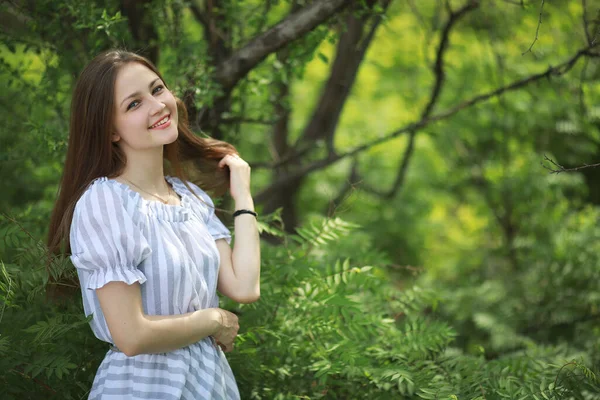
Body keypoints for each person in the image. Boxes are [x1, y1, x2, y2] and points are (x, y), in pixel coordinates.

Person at [46, 49, 261, 399]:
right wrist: (214, 321)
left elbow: (244, 286)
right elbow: (132, 336)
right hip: (144, 386)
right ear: (110, 131)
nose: (157, 105)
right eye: (133, 104)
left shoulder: (191, 199)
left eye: (157, 89)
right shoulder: (107, 202)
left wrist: (244, 198)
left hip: (209, 383)